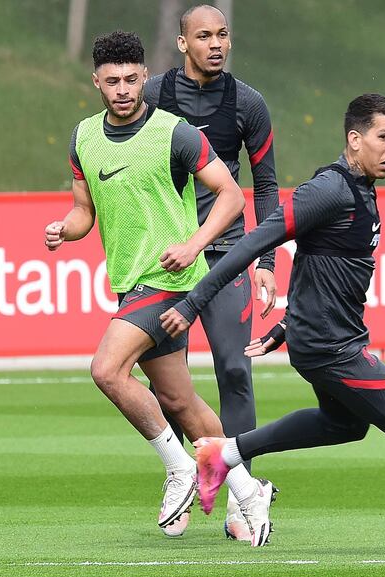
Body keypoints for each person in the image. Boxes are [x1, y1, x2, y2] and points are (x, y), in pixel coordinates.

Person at [160, 94, 385, 556]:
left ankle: (223, 454)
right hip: (331, 347)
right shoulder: (328, 190)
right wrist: (193, 304)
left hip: (325, 336)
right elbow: (253, 242)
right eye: (383, 137)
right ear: (355, 139)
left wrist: (288, 325)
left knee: (344, 425)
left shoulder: (361, 187)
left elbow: (320, 265)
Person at [45, 30, 276, 546]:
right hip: (131, 283)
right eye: (112, 81)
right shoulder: (83, 137)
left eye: (131, 79)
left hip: (171, 280)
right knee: (178, 399)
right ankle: (246, 489)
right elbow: (85, 212)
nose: (123, 89)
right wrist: (65, 228)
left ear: (145, 77)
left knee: (106, 369)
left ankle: (179, 468)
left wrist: (194, 244)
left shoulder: (176, 132)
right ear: (97, 83)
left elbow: (232, 196)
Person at [143, 4, 280, 542]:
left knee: (234, 370)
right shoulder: (151, 96)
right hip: (169, 259)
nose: (216, 44)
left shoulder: (248, 103)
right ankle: (184, 473)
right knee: (169, 387)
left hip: (227, 256)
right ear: (182, 43)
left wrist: (266, 262)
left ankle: (243, 503)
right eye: (204, 36)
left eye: (223, 34)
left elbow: (266, 186)